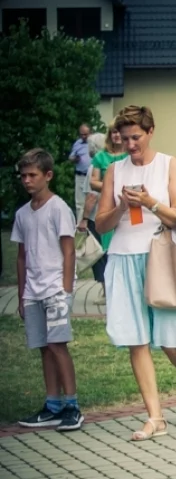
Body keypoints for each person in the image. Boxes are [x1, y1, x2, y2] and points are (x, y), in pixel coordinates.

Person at [94, 105, 176, 441]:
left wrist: (149, 202)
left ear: (150, 131)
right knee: (136, 340)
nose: (130, 144)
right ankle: (155, 417)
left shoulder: (169, 164)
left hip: (161, 258)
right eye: (124, 138)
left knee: (171, 343)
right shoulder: (115, 171)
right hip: (123, 258)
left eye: (136, 137)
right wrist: (120, 206)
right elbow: (101, 224)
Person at [12, 148, 83, 432]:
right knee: (43, 347)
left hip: (55, 289)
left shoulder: (59, 208)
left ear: (48, 175)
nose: (27, 180)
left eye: (33, 175)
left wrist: (66, 292)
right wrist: (21, 295)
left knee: (57, 345)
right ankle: (52, 405)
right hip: (33, 291)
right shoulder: (22, 214)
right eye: (23, 176)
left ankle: (72, 406)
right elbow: (21, 256)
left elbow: (69, 252)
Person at [80, 124, 128, 306]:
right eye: (113, 132)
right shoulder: (101, 157)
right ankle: (111, 291)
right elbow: (93, 184)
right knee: (108, 251)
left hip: (129, 209)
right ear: (110, 135)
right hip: (108, 210)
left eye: (119, 132)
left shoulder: (129, 155)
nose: (117, 135)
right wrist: (113, 186)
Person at [69, 123, 91, 221]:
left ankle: (92, 226)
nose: (83, 136)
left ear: (91, 133)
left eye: (85, 134)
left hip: (92, 176)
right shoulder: (78, 143)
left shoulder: (96, 142)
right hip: (80, 175)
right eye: (81, 134)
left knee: (92, 201)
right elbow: (71, 157)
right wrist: (74, 159)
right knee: (80, 203)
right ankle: (80, 227)